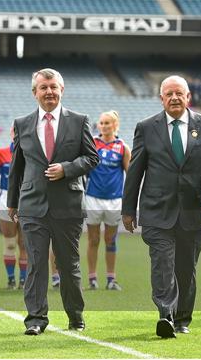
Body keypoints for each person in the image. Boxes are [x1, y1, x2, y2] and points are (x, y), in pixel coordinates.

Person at [122, 75, 201, 338]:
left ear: (188, 96)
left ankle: (182, 319)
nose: (174, 98)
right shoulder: (146, 127)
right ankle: (165, 315)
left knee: (185, 268)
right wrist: (128, 209)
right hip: (157, 211)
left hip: (193, 212)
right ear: (161, 99)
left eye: (179, 93)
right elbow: (135, 170)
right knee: (162, 263)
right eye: (168, 94)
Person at [7, 68, 99, 335]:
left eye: (53, 87)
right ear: (35, 92)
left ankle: (75, 317)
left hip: (68, 204)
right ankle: (36, 318)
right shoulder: (22, 123)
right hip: (32, 205)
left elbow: (92, 158)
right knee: (36, 263)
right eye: (43, 87)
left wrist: (67, 168)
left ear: (62, 89)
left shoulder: (79, 121)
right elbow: (17, 166)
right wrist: (13, 202)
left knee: (68, 264)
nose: (49, 92)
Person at [84, 110, 130, 291]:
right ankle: (92, 279)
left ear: (115, 125)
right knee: (93, 239)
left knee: (110, 240)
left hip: (114, 200)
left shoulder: (122, 147)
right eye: (101, 123)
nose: (103, 126)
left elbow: (130, 174)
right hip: (93, 198)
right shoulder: (92, 144)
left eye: (107, 123)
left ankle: (111, 279)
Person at [0, 127, 27, 290]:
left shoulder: (33, 152)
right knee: (10, 243)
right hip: (7, 198)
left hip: (28, 198)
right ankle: (11, 279)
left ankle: (24, 280)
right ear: (11, 134)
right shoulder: (0, 154)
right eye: (15, 131)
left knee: (25, 243)